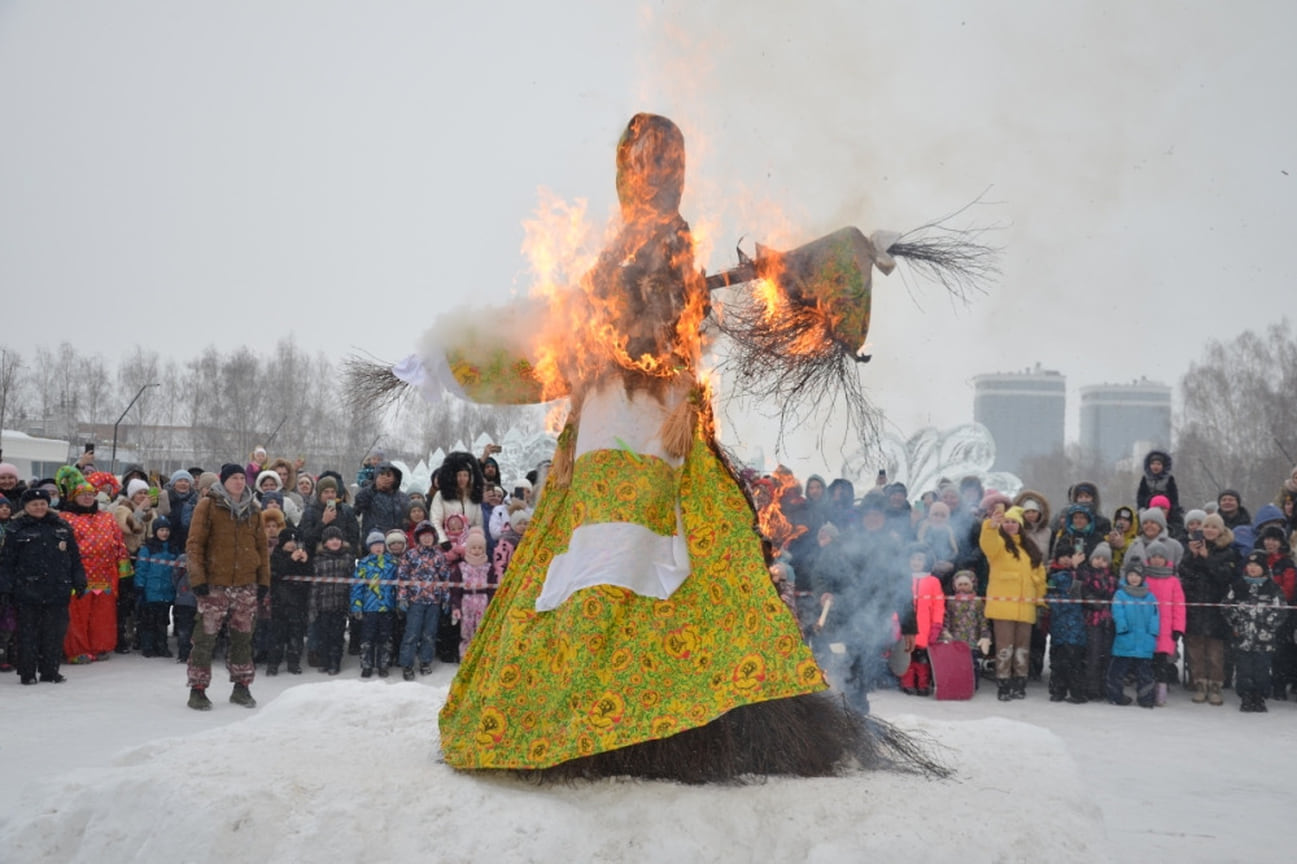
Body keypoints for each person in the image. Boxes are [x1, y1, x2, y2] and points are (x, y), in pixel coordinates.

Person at [184, 463, 269, 711]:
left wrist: (263, 581)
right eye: (234, 478)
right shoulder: (208, 506)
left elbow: (262, 549)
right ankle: (198, 689)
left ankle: (242, 687)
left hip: (246, 584)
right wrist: (198, 579)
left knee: (243, 638)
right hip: (214, 584)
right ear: (223, 481)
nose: (240, 482)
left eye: (243, 477)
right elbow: (195, 544)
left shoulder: (253, 510)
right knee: (205, 638)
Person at [0, 488, 86, 684]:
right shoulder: (16, 529)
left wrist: (79, 579)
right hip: (27, 590)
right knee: (28, 634)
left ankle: (50, 670)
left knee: (54, 633)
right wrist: (5, 587)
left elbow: (74, 558)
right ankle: (27, 672)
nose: (39, 508)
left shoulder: (61, 526)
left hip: (57, 589)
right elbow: (7, 562)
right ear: (26, 507)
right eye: (34, 504)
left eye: (42, 504)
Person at [55, 467, 130, 663]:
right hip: (78, 576)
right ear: (73, 497)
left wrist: (124, 572)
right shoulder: (65, 518)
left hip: (105, 576)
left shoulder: (106, 518)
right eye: (83, 495)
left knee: (102, 616)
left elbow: (119, 543)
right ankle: (77, 649)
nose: (88, 498)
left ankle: (100, 645)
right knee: (77, 615)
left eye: (91, 494)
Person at [979, 504, 1046, 701]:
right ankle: (1003, 683)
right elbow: (987, 543)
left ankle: (1020, 682)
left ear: (1020, 525)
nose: (1010, 525)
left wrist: (1039, 596)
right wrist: (990, 526)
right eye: (1007, 522)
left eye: (1013, 522)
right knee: (1004, 647)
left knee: (1022, 647)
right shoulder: (999, 545)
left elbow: (1039, 574)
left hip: (1025, 607)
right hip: (1003, 608)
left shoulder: (1029, 548)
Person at [1178, 513, 1237, 705]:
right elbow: (1184, 574)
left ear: (1221, 530)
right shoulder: (1191, 549)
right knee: (1195, 649)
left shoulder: (1227, 552)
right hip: (1195, 607)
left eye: (1214, 527)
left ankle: (1215, 686)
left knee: (1215, 652)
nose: (1209, 530)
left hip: (1216, 609)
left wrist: (1208, 558)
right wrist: (1193, 557)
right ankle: (1199, 683)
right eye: (1206, 526)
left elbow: (1225, 579)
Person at [1223, 551, 1287, 712]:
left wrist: (1268, 624)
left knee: (1262, 669)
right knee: (1244, 668)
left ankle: (1260, 695)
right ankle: (1245, 695)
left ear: (1264, 569)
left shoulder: (1272, 588)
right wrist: (1236, 622)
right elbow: (1226, 606)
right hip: (1243, 637)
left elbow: (1281, 610)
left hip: (1264, 639)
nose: (1252, 568)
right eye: (1250, 565)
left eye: (1256, 565)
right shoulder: (1238, 586)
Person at [397, 520, 452, 679]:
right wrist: (402, 597)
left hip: (433, 602)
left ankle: (425, 661)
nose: (427, 539)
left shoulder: (439, 556)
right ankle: (407, 664)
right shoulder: (410, 555)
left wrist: (446, 599)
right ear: (418, 538)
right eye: (424, 536)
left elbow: (445, 578)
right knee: (412, 633)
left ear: (434, 538)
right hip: (415, 601)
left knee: (430, 633)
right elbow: (402, 577)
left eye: (430, 536)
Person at [1140, 539, 1186, 707]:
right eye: (1154, 556)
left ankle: (1161, 693)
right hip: (1145, 629)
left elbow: (1179, 606)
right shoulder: (1143, 578)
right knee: (1146, 664)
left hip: (1165, 631)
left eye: (1161, 556)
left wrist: (1178, 628)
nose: (1157, 560)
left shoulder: (1173, 581)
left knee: (1162, 665)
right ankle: (1146, 691)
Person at [1107, 564, 1160, 707]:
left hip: (1145, 641)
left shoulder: (1150, 596)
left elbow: (1155, 615)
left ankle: (1146, 698)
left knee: (1145, 673)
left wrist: (1153, 632)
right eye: (1131, 575)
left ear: (1142, 578)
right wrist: (1122, 628)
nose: (1134, 578)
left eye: (1137, 575)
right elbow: (1117, 612)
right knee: (1118, 670)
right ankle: (1115, 696)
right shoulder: (1120, 594)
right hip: (1125, 638)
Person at [352, 529, 401, 678]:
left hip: (387, 607)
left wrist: (399, 603)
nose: (378, 547)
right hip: (369, 608)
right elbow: (357, 587)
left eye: (381, 544)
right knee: (367, 637)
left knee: (385, 637)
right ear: (369, 547)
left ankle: (383, 664)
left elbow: (398, 585)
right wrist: (357, 606)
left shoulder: (392, 563)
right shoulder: (364, 564)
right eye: (374, 545)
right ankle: (366, 665)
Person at [1046, 542, 1088, 703]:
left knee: (1075, 661)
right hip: (1058, 625)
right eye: (1062, 556)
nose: (1065, 560)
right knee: (1057, 661)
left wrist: (1076, 570)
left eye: (1069, 557)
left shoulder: (1079, 574)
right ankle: (1058, 690)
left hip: (1076, 626)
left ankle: (1077, 692)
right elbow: (1049, 596)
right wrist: (1059, 604)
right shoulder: (1053, 576)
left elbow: (1078, 592)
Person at [898, 545, 943, 696]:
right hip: (905, 626)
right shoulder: (903, 579)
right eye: (913, 559)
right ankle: (907, 683)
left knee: (922, 659)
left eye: (920, 559)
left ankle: (923, 684)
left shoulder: (933, 581)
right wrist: (895, 623)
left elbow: (938, 605)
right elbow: (896, 603)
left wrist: (937, 624)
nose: (916, 562)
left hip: (925, 628)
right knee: (906, 657)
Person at [267, 526, 312, 676]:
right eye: (289, 541)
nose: (292, 544)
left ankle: (294, 662)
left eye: (295, 541)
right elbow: (276, 572)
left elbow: (309, 577)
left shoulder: (301, 557)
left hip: (297, 604)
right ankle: (273, 663)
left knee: (296, 636)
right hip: (279, 603)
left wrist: (305, 563)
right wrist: (291, 560)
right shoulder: (276, 556)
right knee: (277, 636)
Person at [311, 525, 354, 676]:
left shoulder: (348, 559)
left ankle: (335, 661)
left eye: (338, 539)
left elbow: (352, 583)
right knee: (324, 635)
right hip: (323, 605)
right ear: (324, 543)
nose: (335, 541)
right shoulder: (318, 560)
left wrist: (351, 604)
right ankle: (324, 660)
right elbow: (315, 585)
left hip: (340, 605)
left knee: (337, 635)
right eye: (331, 539)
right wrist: (313, 606)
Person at [1078, 542, 1119, 701]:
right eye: (1097, 558)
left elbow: (1113, 596)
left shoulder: (1112, 579)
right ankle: (1091, 688)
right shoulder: (1086, 576)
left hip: (1108, 622)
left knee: (1106, 655)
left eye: (1103, 559)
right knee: (1092, 655)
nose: (1099, 562)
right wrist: (1095, 602)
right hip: (1092, 621)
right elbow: (1084, 594)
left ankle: (1104, 686)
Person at [133, 516, 177, 657]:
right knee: (149, 620)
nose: (164, 533)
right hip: (151, 591)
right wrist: (140, 585)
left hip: (167, 591)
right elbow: (141, 568)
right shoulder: (147, 549)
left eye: (167, 530)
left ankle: (162, 645)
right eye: (161, 530)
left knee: (163, 621)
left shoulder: (173, 549)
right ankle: (148, 646)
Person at [450, 527, 496, 661]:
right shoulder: (461, 567)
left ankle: (481, 657)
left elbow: (492, 589)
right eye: (473, 548)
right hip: (466, 602)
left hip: (483, 602)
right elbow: (455, 590)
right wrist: (456, 606)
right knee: (466, 631)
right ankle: (465, 656)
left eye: (480, 548)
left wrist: (491, 604)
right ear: (468, 549)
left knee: (483, 630)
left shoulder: (488, 567)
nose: (477, 551)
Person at [941, 570, 990, 689]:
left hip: (973, 640)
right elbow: (947, 618)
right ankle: (957, 682)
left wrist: (985, 636)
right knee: (956, 662)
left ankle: (973, 684)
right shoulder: (951, 601)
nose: (963, 587)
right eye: (960, 584)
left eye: (966, 584)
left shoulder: (978, 602)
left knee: (972, 663)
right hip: (955, 639)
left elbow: (983, 621)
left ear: (972, 585)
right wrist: (945, 632)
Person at [428, 453, 484, 546]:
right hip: (447, 543)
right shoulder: (441, 495)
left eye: (465, 475)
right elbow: (435, 520)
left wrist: (475, 540)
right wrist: (443, 540)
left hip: (469, 544)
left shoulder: (473, 496)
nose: (462, 479)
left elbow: (477, 523)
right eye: (459, 475)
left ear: (470, 478)